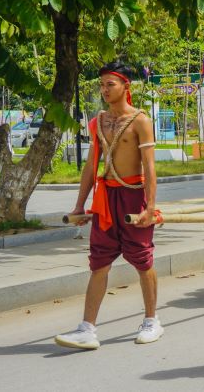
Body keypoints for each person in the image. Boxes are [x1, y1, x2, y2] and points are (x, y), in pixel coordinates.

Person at [54, 62, 161, 350]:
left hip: (133, 195)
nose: (104, 90)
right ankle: (87, 329)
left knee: (141, 258)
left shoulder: (140, 120)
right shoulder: (98, 121)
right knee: (99, 260)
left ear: (126, 86)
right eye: (101, 85)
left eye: (109, 84)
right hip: (107, 198)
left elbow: (150, 168)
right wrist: (79, 205)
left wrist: (150, 208)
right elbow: (91, 166)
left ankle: (152, 321)